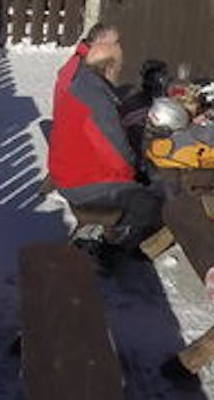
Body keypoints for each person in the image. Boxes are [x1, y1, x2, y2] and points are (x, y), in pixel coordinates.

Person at [47, 23, 162, 255]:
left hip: (67, 168)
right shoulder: (94, 93)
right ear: (103, 48)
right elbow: (117, 154)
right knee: (154, 201)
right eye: (117, 44)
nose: (122, 50)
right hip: (79, 183)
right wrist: (137, 173)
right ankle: (106, 248)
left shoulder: (82, 76)